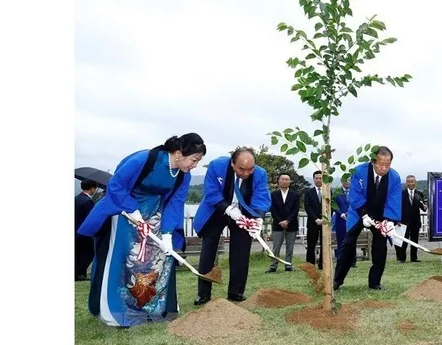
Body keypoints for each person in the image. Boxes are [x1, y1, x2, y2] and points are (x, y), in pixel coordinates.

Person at [77, 133, 206, 327]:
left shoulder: (183, 176)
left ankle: (151, 308)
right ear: (178, 153)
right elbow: (116, 185)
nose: (194, 165)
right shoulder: (144, 159)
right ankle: (118, 310)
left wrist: (168, 234)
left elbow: (175, 203)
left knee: (158, 260)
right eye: (194, 160)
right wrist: (133, 210)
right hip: (125, 212)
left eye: (198, 161)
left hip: (154, 215)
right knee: (125, 259)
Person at [192, 147, 271, 305]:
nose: (246, 173)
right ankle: (203, 294)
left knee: (241, 251)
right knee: (208, 250)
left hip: (243, 213)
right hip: (217, 209)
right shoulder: (217, 166)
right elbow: (211, 192)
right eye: (242, 169)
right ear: (232, 164)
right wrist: (228, 210)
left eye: (250, 169)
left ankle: (236, 292)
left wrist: (258, 218)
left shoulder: (260, 174)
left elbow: (261, 196)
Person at [334, 146, 401, 291]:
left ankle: (375, 282)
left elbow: (393, 201)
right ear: (373, 161)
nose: (384, 168)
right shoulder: (359, 171)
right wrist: (364, 214)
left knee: (380, 247)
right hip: (359, 211)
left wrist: (389, 221)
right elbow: (355, 195)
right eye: (380, 164)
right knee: (348, 244)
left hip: (381, 214)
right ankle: (337, 280)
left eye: (387, 165)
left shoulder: (394, 177)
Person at [266, 172, 300, 273]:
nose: (285, 181)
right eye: (283, 179)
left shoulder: (295, 195)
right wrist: (280, 221)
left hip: (292, 224)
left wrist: (288, 220)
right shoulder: (273, 195)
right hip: (278, 224)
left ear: (290, 182)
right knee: (276, 247)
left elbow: (295, 210)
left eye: (287, 179)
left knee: (290, 248)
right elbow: (273, 210)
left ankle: (288, 265)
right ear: (279, 181)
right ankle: (273, 266)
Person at [399, 174, 427, 263]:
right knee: (404, 240)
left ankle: (414, 258)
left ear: (415, 183)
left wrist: (425, 206)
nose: (410, 183)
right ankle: (402, 258)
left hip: (415, 221)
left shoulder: (419, 194)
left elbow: (423, 208)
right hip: (403, 221)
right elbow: (397, 208)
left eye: (412, 181)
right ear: (406, 183)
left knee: (415, 240)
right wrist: (397, 220)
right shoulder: (401, 194)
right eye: (408, 182)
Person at [75, 179, 98, 281]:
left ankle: (77, 273)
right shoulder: (88, 201)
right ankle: (80, 273)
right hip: (85, 232)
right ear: (92, 188)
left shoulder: (76, 199)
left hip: (75, 230)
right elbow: (92, 217)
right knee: (88, 253)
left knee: (77, 252)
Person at [304, 171, 325, 269]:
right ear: (313, 179)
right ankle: (310, 265)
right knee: (311, 245)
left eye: (320, 178)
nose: (318, 180)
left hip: (325, 223)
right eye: (316, 178)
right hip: (312, 223)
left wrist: (325, 219)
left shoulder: (328, 191)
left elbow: (331, 207)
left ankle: (322, 264)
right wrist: (316, 219)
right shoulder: (308, 192)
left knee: (324, 245)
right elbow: (307, 207)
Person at [334, 179, 355, 266]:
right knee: (341, 240)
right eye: (345, 181)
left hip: (352, 219)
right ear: (342, 182)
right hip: (340, 220)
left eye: (349, 181)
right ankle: (340, 260)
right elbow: (334, 205)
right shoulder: (337, 192)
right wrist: (340, 213)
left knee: (352, 240)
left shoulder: (355, 191)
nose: (347, 182)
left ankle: (353, 261)